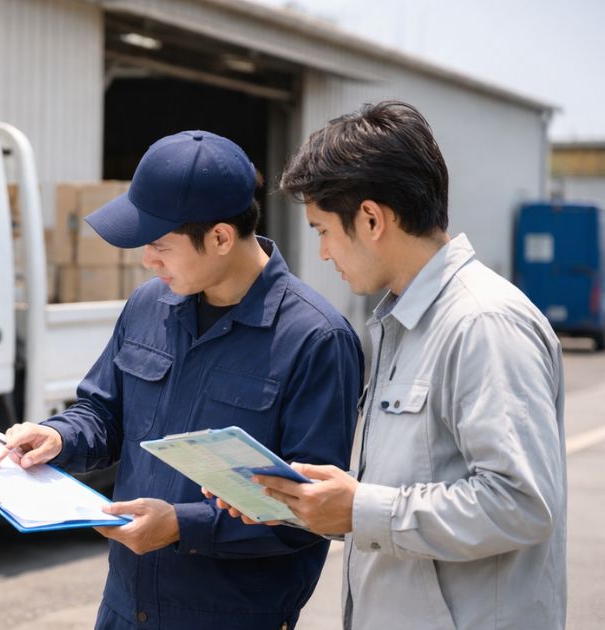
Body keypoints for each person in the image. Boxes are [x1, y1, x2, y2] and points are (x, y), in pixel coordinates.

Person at [212, 101, 567, 630]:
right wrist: (318, 503)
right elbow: (416, 485)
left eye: (322, 230)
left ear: (372, 219)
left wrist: (361, 509)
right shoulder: (406, 323)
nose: (325, 253)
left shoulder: (482, 324)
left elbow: (521, 503)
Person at [0, 130, 364, 629]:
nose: (148, 261)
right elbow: (103, 414)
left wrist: (180, 526)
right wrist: (58, 436)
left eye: (159, 245)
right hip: (125, 609)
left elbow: (313, 512)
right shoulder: (149, 306)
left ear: (218, 237)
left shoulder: (316, 340)